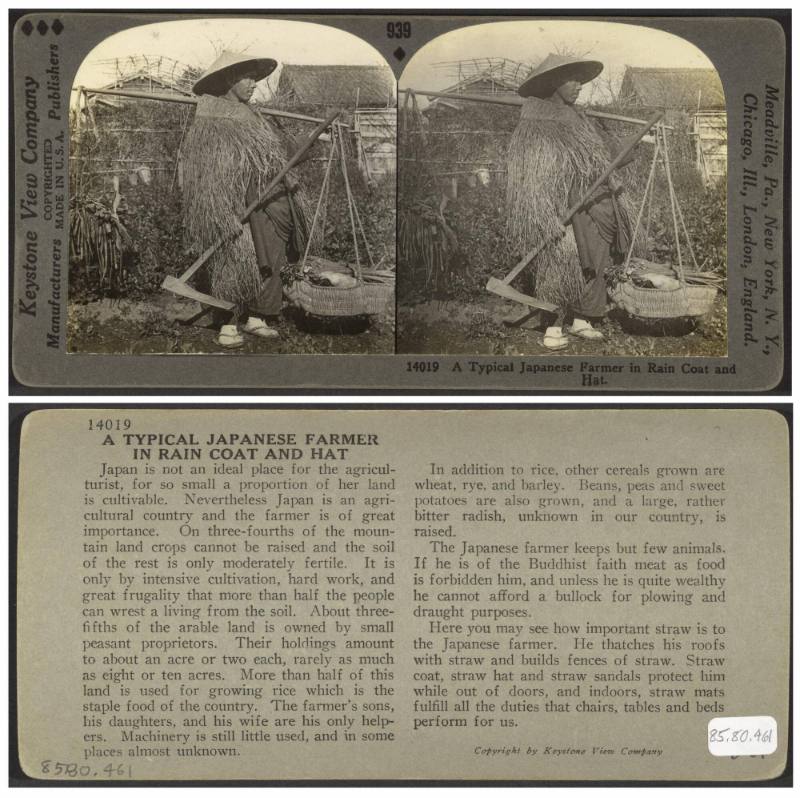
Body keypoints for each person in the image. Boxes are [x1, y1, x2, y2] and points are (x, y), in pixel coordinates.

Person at [506, 53, 642, 350]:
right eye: (572, 80)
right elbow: (530, 178)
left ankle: (582, 319)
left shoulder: (581, 118)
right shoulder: (536, 121)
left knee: (595, 262)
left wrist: (607, 129)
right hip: (561, 207)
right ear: (554, 82)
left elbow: (608, 159)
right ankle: (552, 327)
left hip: (594, 203)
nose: (579, 86)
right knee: (561, 263)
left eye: (581, 80)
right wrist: (544, 217)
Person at [182, 51, 312, 347]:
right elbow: (210, 170)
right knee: (235, 258)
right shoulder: (211, 113)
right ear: (229, 79)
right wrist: (222, 211)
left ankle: (258, 316)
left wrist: (284, 178)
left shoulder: (254, 115)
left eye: (255, 78)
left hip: (264, 201)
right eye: (247, 78)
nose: (254, 84)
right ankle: (227, 324)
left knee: (271, 254)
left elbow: (270, 159)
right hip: (231, 200)